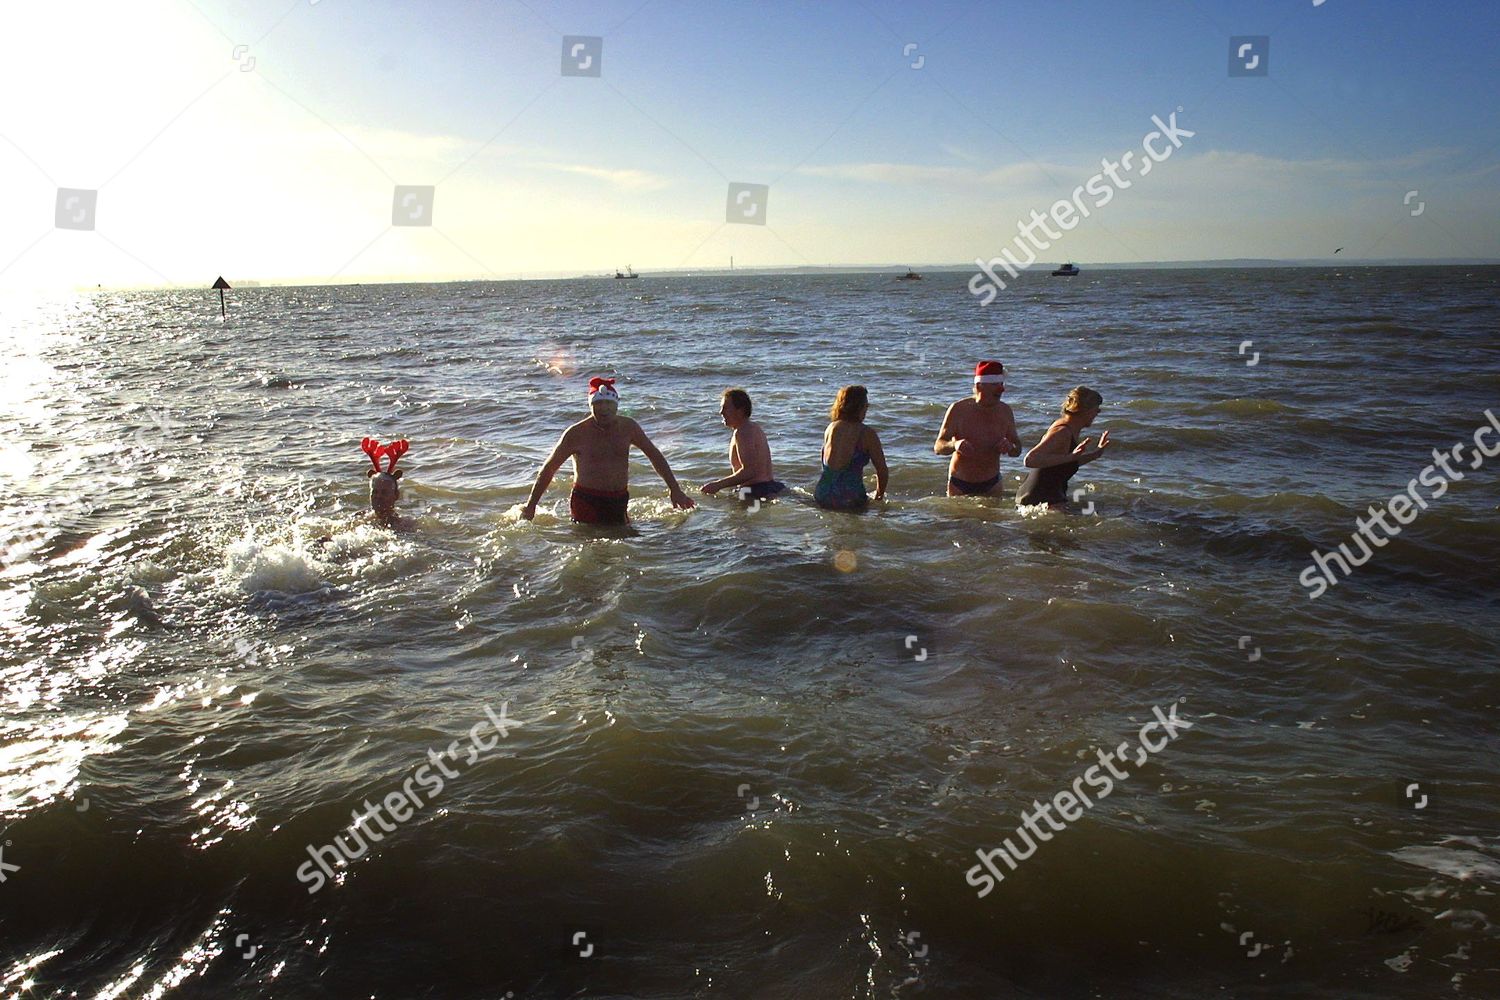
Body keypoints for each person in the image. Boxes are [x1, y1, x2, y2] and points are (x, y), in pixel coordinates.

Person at [520, 376, 696, 525]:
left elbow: (655, 455)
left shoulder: (629, 427)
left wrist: (675, 489)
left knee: (625, 546)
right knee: (592, 550)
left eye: (608, 405)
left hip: (619, 499)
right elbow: (549, 468)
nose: (604, 409)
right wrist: (531, 505)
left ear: (616, 406)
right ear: (591, 406)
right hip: (586, 500)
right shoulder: (576, 433)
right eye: (599, 405)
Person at [934, 360, 1022, 497]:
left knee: (994, 518)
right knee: (956, 518)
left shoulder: (1005, 411)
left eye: (1001, 384)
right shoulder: (958, 409)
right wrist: (955, 444)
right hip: (959, 483)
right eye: (995, 385)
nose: (1001, 389)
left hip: (992, 483)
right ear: (979, 386)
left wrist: (1010, 447)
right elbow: (938, 447)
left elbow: (1017, 449)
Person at [1017, 386, 1111, 508]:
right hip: (1040, 499)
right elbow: (1030, 460)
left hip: (1046, 496)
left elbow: (1064, 463)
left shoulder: (1069, 427)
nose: (1098, 413)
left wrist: (1095, 455)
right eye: (1097, 409)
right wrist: (1070, 457)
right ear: (1085, 410)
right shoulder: (1063, 432)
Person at [701, 388, 785, 502]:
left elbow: (750, 471)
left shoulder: (743, 432)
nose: (721, 412)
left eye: (725, 408)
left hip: (755, 492)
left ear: (740, 410)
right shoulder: (754, 428)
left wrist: (717, 485)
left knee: (741, 519)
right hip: (773, 487)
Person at [814, 385, 888, 510]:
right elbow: (882, 471)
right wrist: (879, 497)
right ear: (859, 407)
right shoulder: (867, 434)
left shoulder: (831, 428)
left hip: (823, 493)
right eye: (866, 406)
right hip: (850, 497)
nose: (867, 409)